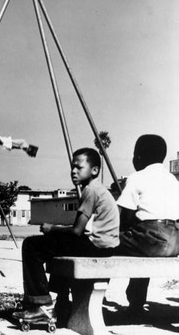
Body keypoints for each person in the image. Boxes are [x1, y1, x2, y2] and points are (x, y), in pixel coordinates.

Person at [10, 147, 119, 324]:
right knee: (57, 246)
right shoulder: (99, 189)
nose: (73, 171)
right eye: (72, 167)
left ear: (94, 170)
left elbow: (76, 230)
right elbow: (80, 229)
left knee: (32, 246)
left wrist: (52, 228)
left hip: (96, 246)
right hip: (103, 246)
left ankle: (40, 305)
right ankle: (59, 302)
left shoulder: (90, 190)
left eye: (79, 167)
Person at [115, 134, 179, 314]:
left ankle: (87, 294)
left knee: (106, 243)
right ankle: (136, 300)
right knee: (141, 247)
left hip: (152, 237)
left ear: (139, 156)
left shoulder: (137, 177)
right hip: (175, 241)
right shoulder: (173, 180)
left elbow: (123, 217)